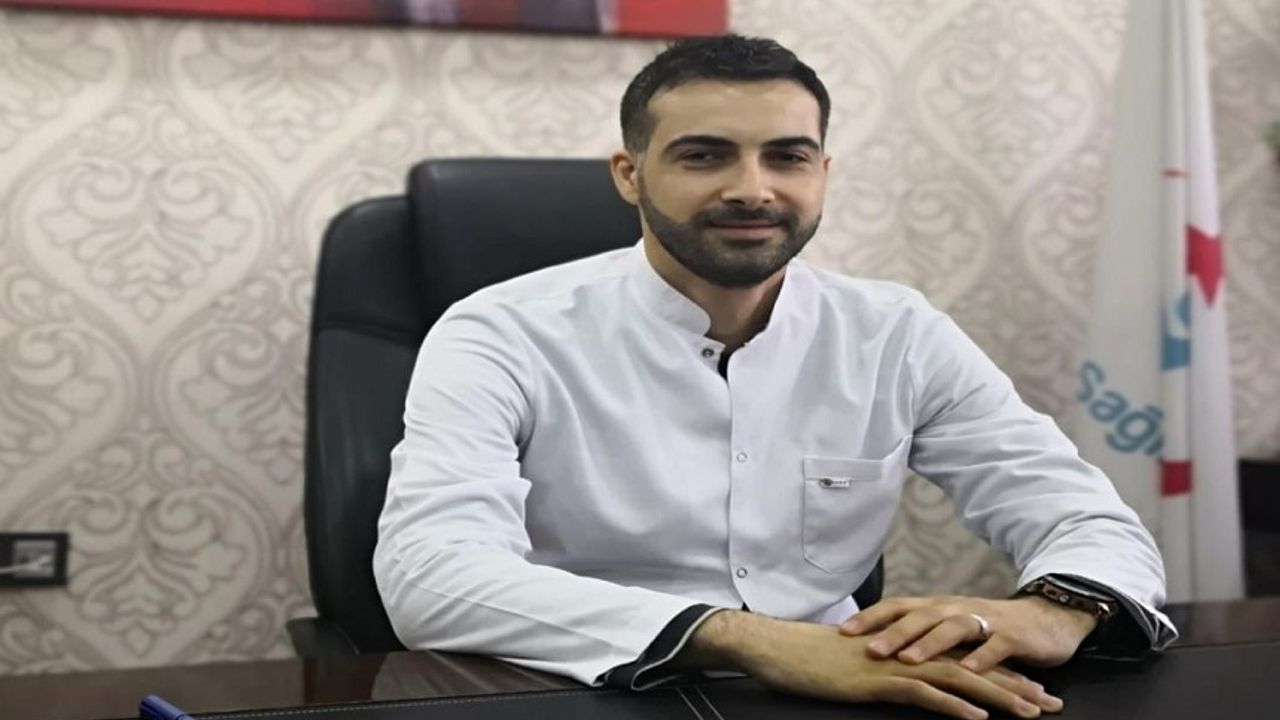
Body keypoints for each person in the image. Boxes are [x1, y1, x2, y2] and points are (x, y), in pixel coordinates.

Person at [373, 34, 1176, 720]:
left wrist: (1060, 610)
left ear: (822, 171)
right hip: (579, 690)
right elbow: (429, 576)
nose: (752, 189)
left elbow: (1082, 515)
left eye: (787, 157)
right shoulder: (501, 331)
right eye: (704, 155)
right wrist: (750, 641)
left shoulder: (896, 332)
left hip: (841, 691)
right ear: (628, 173)